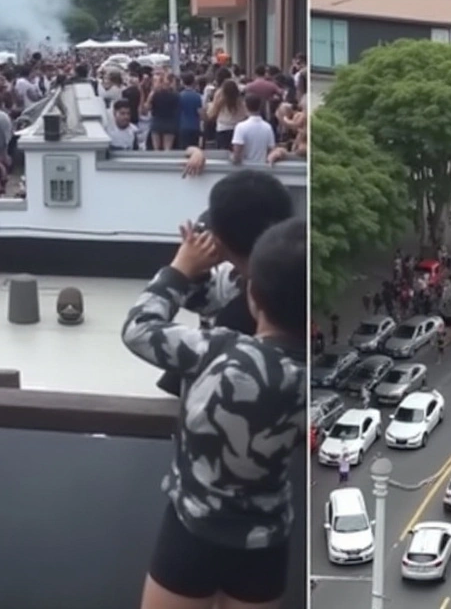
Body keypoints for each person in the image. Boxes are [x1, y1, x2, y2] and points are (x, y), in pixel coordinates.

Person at [120, 215, 306, 609]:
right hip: (267, 543)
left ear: (253, 294)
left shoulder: (218, 351)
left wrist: (180, 268)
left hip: (192, 530)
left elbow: (139, 327)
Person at [152, 170, 295, 398]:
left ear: (220, 239)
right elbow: (206, 300)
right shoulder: (269, 277)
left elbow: (141, 331)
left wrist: (180, 269)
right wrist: (197, 272)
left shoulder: (239, 314)